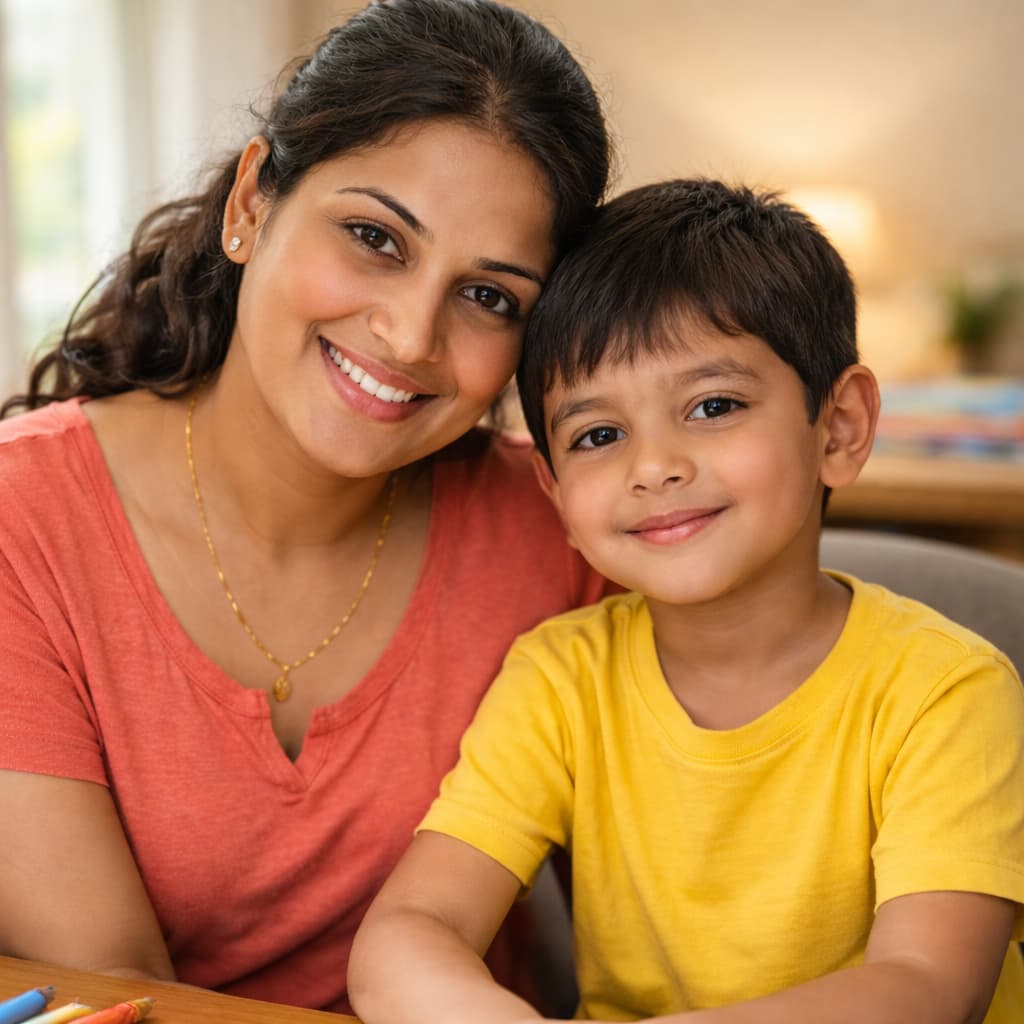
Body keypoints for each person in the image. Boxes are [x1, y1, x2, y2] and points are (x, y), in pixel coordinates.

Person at [0, 0, 611, 1013]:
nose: (410, 335)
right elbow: (117, 995)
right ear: (251, 202)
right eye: (375, 237)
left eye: (489, 296)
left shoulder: (562, 529)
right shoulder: (21, 524)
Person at [348, 179, 1024, 1023]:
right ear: (556, 494)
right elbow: (409, 934)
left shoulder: (947, 691)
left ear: (841, 426)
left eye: (713, 406)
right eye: (599, 434)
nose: (654, 466)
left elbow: (928, 988)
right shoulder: (560, 679)